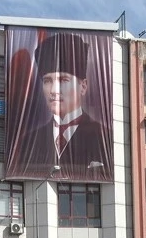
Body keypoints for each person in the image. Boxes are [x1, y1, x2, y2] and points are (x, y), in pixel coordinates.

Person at [11, 31, 113, 182]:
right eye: (47, 81)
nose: (53, 90)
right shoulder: (27, 141)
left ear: (83, 86)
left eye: (63, 80)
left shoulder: (104, 137)